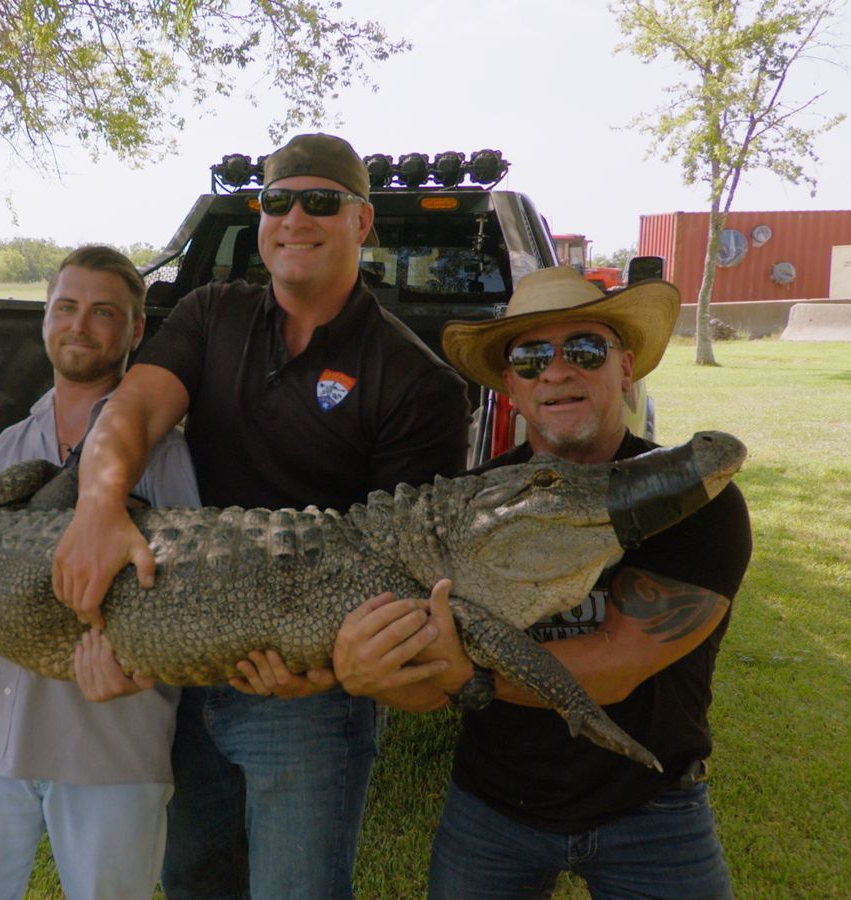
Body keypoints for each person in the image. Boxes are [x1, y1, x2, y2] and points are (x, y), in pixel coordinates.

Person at [52, 133, 472, 899]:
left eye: (322, 203)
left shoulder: (417, 381)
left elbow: (408, 572)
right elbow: (133, 409)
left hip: (308, 696)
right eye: (279, 202)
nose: (296, 218)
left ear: (362, 222)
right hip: (190, 650)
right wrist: (98, 503)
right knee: (193, 879)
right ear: (260, 217)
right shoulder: (212, 313)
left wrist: (322, 672)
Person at [331, 266, 752, 898]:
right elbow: (424, 680)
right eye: (530, 358)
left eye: (584, 350)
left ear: (625, 369)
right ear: (511, 386)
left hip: (654, 806)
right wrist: (368, 675)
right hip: (493, 807)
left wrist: (465, 676)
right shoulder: (465, 507)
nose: (555, 372)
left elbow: (615, 665)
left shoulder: (695, 498)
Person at [0, 244, 199, 899]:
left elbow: (189, 589)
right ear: (45, 319)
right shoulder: (4, 451)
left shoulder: (164, 455)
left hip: (110, 738)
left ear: (136, 331)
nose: (80, 325)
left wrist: (138, 669)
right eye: (66, 307)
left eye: (104, 312)